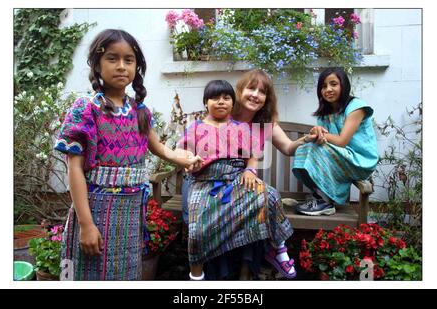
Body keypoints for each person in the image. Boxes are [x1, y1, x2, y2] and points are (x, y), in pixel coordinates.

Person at [54, 29, 202, 280]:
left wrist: (185, 158)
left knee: (125, 275)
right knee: (88, 274)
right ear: (97, 64)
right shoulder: (85, 109)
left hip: (131, 215)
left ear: (137, 67)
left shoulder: (139, 111)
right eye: (112, 58)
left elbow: (160, 148)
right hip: (96, 212)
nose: (121, 66)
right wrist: (86, 225)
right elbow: (74, 169)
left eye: (129, 60)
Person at [179, 80, 298, 280]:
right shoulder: (196, 128)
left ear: (233, 104)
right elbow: (182, 152)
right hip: (204, 182)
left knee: (269, 195)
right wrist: (188, 162)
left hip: (235, 179)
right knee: (197, 229)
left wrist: (250, 170)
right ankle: (196, 276)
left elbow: (252, 154)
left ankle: (278, 250)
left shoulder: (240, 128)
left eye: (226, 98)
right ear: (205, 102)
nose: (221, 102)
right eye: (215, 98)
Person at [292, 67, 378, 216]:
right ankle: (319, 196)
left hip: (359, 160)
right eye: (324, 86)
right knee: (303, 149)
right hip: (340, 158)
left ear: (343, 85)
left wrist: (318, 133)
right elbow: (322, 141)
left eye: (333, 84)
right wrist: (316, 133)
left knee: (315, 148)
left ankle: (326, 201)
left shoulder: (356, 107)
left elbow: (342, 141)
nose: (328, 89)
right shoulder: (325, 114)